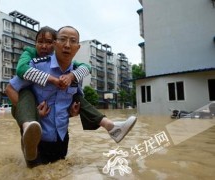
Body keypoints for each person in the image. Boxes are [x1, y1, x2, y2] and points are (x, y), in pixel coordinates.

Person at [8, 26, 137, 168]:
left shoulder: (77, 73)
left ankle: (111, 127)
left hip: (62, 138)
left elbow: (69, 103)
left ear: (78, 47)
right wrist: (33, 113)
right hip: (37, 140)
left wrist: (71, 112)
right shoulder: (36, 66)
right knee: (34, 175)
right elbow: (11, 89)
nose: (67, 45)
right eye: (63, 40)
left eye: (72, 41)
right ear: (56, 43)